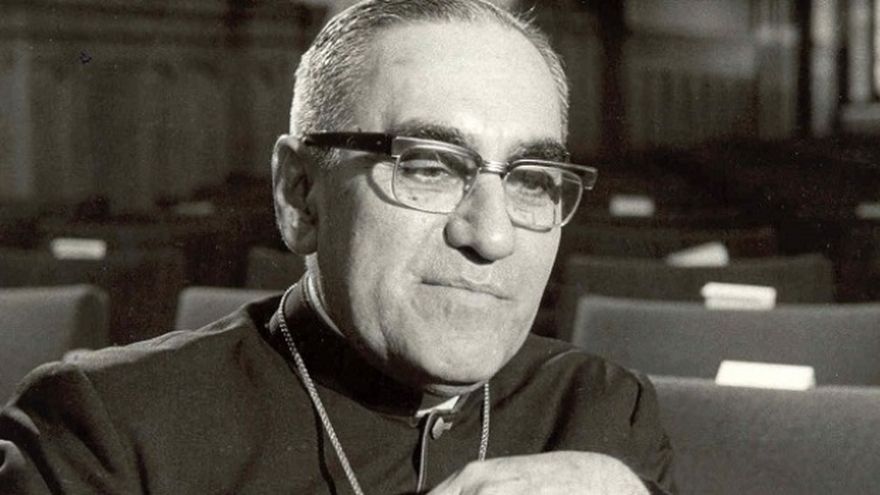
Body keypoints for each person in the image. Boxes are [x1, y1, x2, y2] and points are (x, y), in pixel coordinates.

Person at [0, 1, 674, 493]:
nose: (492, 235)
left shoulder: (601, 410)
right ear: (301, 195)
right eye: (428, 167)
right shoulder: (106, 433)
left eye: (531, 180)